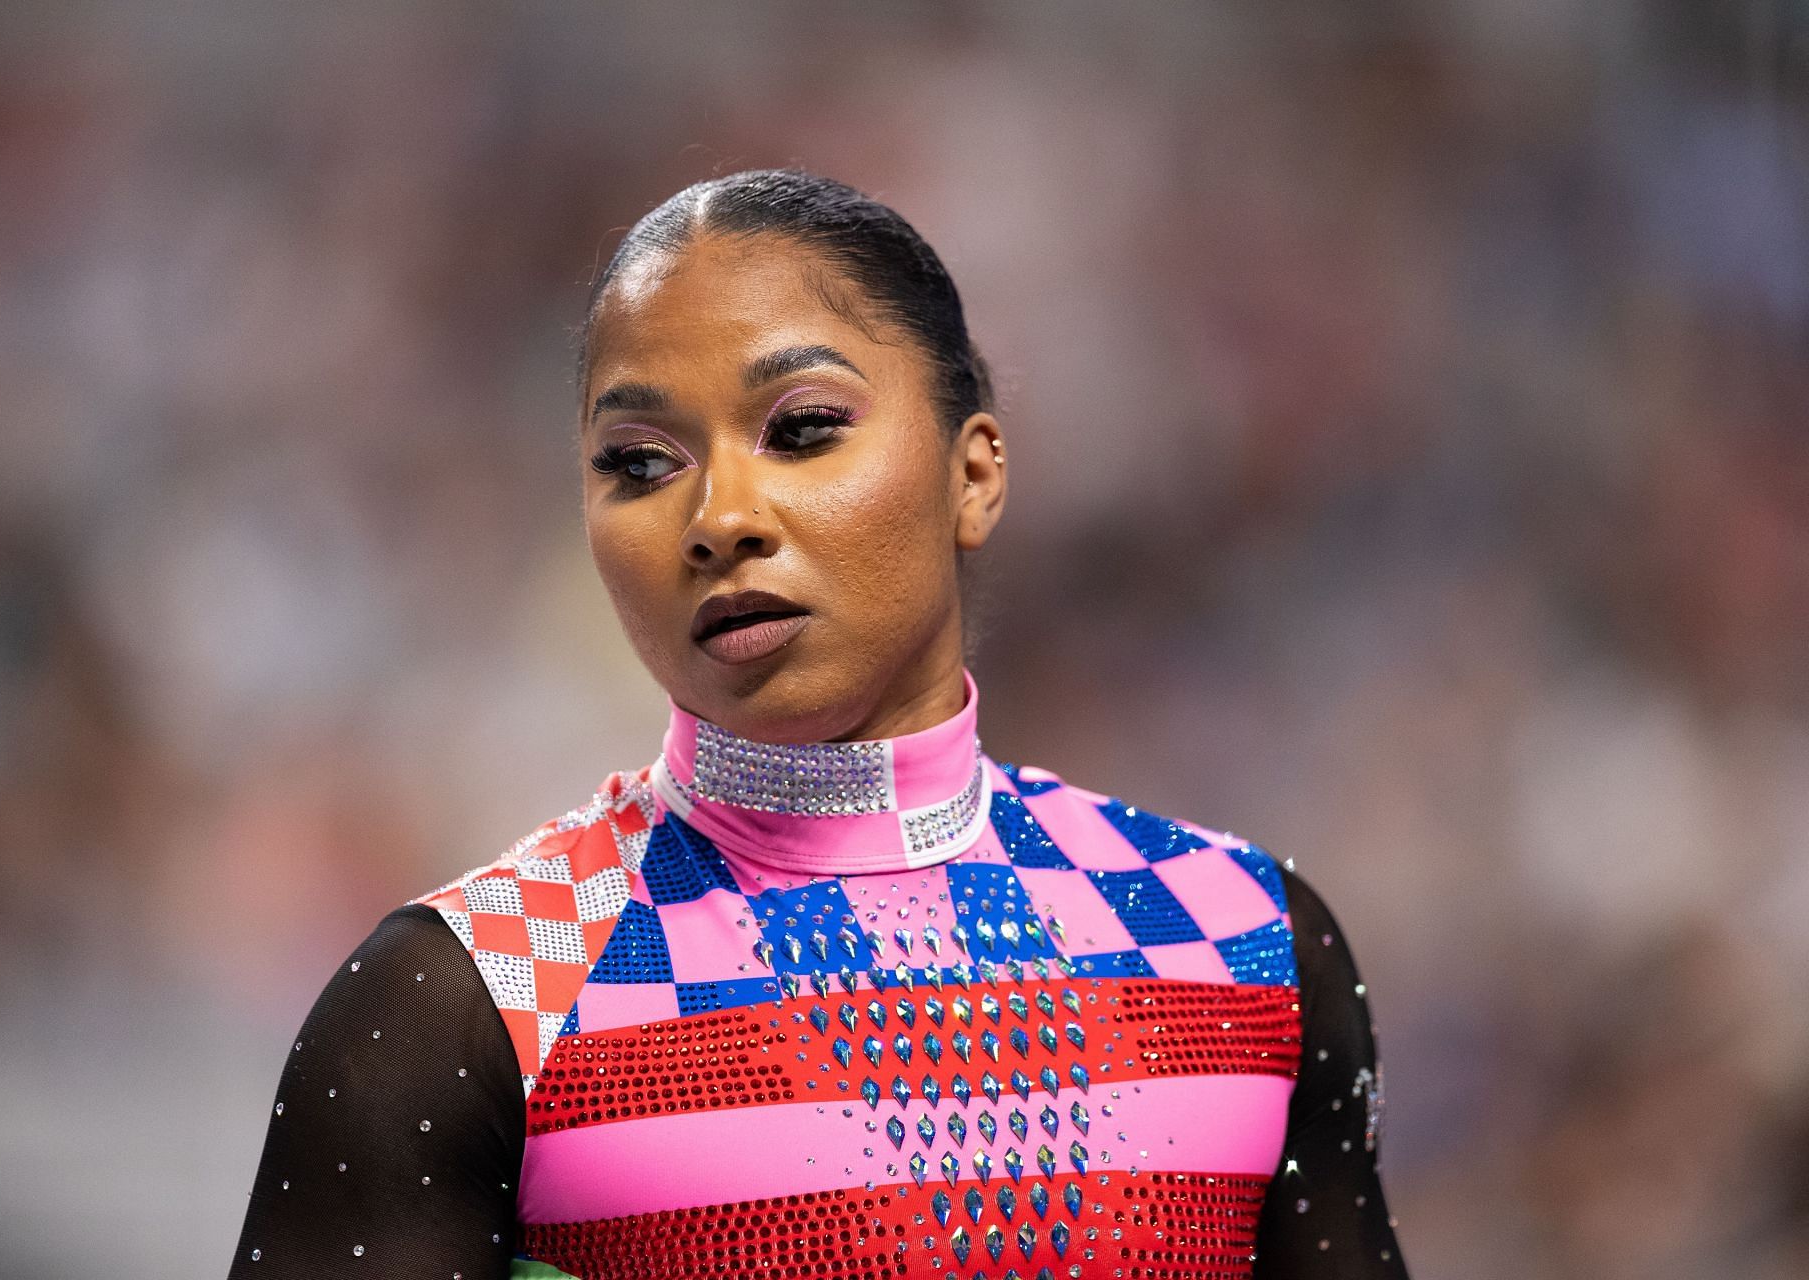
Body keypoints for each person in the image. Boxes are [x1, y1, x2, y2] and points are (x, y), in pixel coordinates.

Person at [228, 169, 1408, 1279]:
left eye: (800, 428)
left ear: (975, 471)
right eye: (638, 461)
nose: (719, 514)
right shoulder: (472, 999)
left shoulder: (1251, 946)